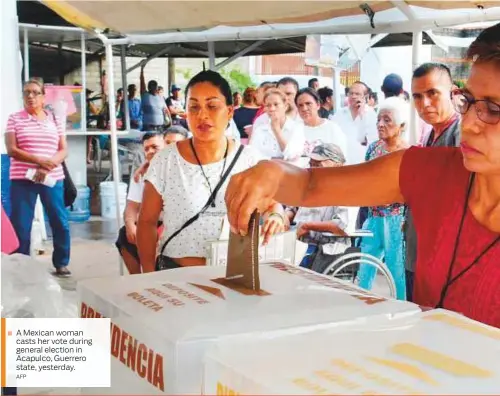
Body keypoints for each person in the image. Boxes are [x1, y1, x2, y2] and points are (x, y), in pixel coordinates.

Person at [224, 23, 500, 328]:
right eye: (470, 101)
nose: (471, 123)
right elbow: (311, 184)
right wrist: (270, 173)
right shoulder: (434, 169)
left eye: (493, 109)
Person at [137, 70, 285, 271]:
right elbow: (146, 222)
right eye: (194, 107)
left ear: (230, 111)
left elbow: (272, 205)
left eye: (212, 106)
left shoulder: (251, 160)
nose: (202, 115)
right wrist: (147, 275)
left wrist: (275, 217)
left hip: (235, 277)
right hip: (176, 275)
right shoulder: (166, 160)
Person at [404, 62, 460, 301]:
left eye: (432, 93)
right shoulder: (429, 135)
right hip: (419, 251)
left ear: (453, 93)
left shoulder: (461, 134)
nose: (424, 104)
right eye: (417, 96)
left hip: (445, 259)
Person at [4, 79, 71, 277]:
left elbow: (63, 149)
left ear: (43, 97)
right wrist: (40, 161)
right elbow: (12, 150)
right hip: (22, 179)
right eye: (26, 93)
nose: (30, 96)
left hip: (52, 178)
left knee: (59, 220)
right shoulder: (14, 118)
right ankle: (21, 264)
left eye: (34, 92)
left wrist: (47, 166)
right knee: (21, 224)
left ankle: (61, 262)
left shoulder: (54, 119)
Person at [356, 97, 409, 300]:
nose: (380, 124)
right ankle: (360, 304)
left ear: (401, 126)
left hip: (397, 219)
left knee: (397, 269)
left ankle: (402, 307)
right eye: (379, 119)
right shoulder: (373, 148)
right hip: (373, 216)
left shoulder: (408, 153)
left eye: (387, 120)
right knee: (365, 265)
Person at [286, 144, 350, 273]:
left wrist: (307, 226)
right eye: (311, 164)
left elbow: (340, 225)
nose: (312, 169)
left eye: (318, 164)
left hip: (324, 247)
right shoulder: (307, 185)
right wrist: (283, 218)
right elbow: (292, 209)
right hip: (299, 241)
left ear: (337, 165)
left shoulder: (346, 189)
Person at [116, 133, 165, 274]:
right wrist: (130, 224)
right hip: (151, 222)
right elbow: (131, 206)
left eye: (155, 147)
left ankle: (152, 278)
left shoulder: (177, 171)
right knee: (125, 234)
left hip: (172, 223)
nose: (150, 152)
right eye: (146, 149)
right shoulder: (141, 175)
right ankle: (137, 279)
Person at [249, 88, 305, 163]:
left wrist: (276, 130)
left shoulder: (296, 128)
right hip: (265, 171)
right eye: (268, 105)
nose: (272, 109)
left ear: (285, 106)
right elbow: (251, 156)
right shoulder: (260, 129)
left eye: (276, 104)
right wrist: (274, 160)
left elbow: (292, 155)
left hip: (289, 172)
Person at [330, 81, 378, 164]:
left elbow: (371, 142)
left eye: (357, 94)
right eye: (351, 93)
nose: (353, 96)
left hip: (364, 165)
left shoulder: (372, 116)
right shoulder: (339, 115)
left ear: (366, 97)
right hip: (342, 165)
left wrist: (362, 115)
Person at [295, 88, 346, 156]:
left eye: (308, 104)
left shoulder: (332, 128)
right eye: (300, 105)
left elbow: (341, 157)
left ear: (318, 105)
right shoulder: (295, 129)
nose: (304, 108)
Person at [140, 67, 171, 131]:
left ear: (157, 87)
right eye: (151, 86)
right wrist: (142, 70)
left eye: (154, 86)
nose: (153, 88)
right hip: (149, 127)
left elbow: (166, 110)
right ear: (148, 87)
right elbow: (142, 82)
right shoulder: (145, 95)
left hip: (161, 126)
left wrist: (170, 121)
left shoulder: (160, 97)